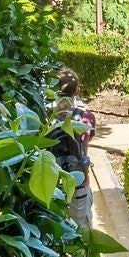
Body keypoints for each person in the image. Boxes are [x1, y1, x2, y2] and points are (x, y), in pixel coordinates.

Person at [55, 69, 96, 228]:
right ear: (77, 90)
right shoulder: (86, 117)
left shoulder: (47, 117)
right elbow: (86, 142)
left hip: (55, 184)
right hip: (79, 182)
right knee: (82, 233)